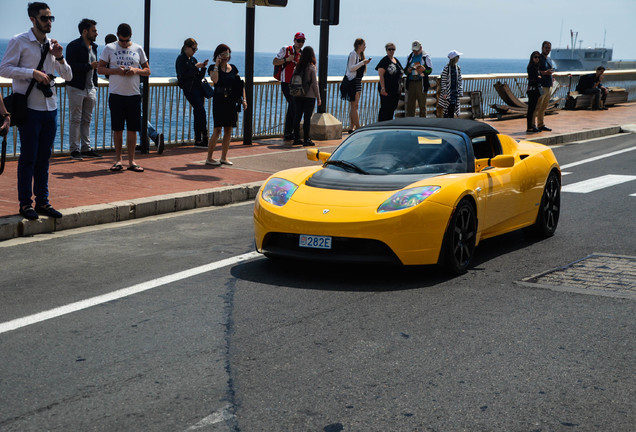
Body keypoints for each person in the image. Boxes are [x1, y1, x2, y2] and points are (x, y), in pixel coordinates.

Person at [0, 2, 72, 220]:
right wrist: (32, 73)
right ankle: (25, 204)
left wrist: (59, 57)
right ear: (33, 19)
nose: (48, 22)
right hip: (30, 109)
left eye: (51, 18)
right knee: (28, 158)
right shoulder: (19, 41)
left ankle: (43, 202)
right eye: (44, 18)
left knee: (44, 158)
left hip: (50, 109)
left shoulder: (53, 45)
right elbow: (4, 69)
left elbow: (69, 76)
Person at [98, 23, 150, 172]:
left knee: (133, 129)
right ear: (117, 36)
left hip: (133, 95)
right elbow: (100, 69)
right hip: (116, 95)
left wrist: (135, 70)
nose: (124, 44)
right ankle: (118, 160)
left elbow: (147, 70)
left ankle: (132, 160)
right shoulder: (109, 48)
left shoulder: (138, 49)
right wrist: (115, 71)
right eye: (122, 41)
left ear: (131, 37)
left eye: (127, 41)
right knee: (118, 129)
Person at [103, 33, 163, 154]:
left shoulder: (112, 51)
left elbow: (107, 73)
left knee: (138, 117)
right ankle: (145, 142)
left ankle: (154, 136)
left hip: (129, 88)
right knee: (138, 116)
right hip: (137, 85)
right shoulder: (128, 51)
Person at [65, 18, 101, 160]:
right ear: (85, 31)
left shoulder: (95, 47)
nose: (96, 33)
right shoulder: (73, 46)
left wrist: (95, 84)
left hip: (90, 88)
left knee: (87, 119)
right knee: (75, 119)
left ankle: (86, 148)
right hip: (76, 87)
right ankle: (74, 149)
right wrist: (89, 66)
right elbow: (71, 67)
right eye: (94, 30)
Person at [205, 44, 247, 166]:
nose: (225, 56)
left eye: (227, 54)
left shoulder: (233, 68)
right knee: (217, 129)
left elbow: (240, 85)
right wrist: (217, 65)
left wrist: (244, 99)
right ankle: (209, 157)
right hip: (219, 101)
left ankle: (224, 157)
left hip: (231, 101)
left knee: (228, 129)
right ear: (217, 55)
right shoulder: (213, 67)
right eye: (222, 54)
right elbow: (215, 80)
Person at [176, 38, 209, 147]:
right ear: (187, 47)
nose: (195, 51)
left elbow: (198, 76)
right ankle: (205, 136)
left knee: (198, 112)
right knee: (201, 111)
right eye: (193, 49)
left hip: (198, 89)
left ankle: (198, 139)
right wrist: (195, 67)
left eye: (196, 49)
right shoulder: (181, 59)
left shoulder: (193, 59)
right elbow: (183, 75)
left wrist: (203, 68)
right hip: (189, 89)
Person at [273, 32, 305, 141]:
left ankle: (288, 132)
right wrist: (286, 59)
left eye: (302, 41)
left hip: (296, 83)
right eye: (298, 41)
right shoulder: (286, 49)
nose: (300, 43)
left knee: (293, 106)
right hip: (286, 82)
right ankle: (288, 132)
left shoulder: (302, 53)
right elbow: (275, 61)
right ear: (294, 40)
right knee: (293, 105)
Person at [291, 46, 321, 147]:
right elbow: (315, 84)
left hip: (298, 94)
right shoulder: (312, 68)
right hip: (309, 96)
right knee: (307, 118)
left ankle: (296, 138)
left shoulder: (297, 67)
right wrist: (318, 97)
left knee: (297, 116)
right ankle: (306, 139)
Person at [345, 38, 371, 132]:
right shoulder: (353, 54)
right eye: (364, 44)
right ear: (359, 45)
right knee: (354, 106)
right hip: (353, 82)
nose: (365, 46)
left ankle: (352, 127)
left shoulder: (360, 55)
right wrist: (362, 63)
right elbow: (351, 68)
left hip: (358, 82)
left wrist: (363, 62)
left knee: (355, 106)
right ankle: (358, 127)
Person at [375, 42, 404, 122]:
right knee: (385, 109)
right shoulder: (385, 60)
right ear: (386, 50)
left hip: (395, 91)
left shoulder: (396, 60)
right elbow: (381, 75)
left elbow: (401, 73)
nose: (391, 51)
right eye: (389, 49)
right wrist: (383, 88)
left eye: (393, 49)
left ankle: (388, 126)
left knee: (392, 109)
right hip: (387, 90)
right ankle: (381, 126)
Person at [405, 40, 432, 117]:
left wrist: (424, 70)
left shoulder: (425, 56)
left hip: (421, 83)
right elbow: (405, 70)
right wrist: (408, 71)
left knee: (422, 105)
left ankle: (422, 124)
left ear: (421, 48)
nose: (415, 52)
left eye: (417, 50)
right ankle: (410, 123)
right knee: (410, 105)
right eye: (414, 50)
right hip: (411, 82)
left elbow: (430, 70)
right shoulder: (410, 56)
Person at [535, 41, 554, 132]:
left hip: (549, 85)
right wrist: (545, 73)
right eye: (546, 47)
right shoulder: (539, 58)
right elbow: (536, 71)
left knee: (544, 107)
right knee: (538, 106)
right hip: (542, 85)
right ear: (542, 48)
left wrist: (552, 77)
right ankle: (533, 125)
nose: (548, 49)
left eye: (549, 48)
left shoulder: (549, 59)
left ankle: (541, 124)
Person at [439, 50, 464, 118]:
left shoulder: (457, 68)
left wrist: (460, 92)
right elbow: (443, 81)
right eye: (458, 57)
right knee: (447, 109)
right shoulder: (446, 68)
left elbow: (459, 80)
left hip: (455, 93)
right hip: (449, 93)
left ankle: (449, 122)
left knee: (452, 109)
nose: (459, 58)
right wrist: (444, 92)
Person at [526, 51, 542, 133]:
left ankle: (532, 125)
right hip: (532, 90)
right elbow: (536, 78)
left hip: (536, 90)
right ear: (532, 58)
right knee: (531, 109)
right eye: (535, 57)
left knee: (535, 108)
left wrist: (539, 77)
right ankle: (530, 126)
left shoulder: (536, 67)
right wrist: (539, 77)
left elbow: (538, 78)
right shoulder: (531, 67)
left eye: (538, 57)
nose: (537, 59)